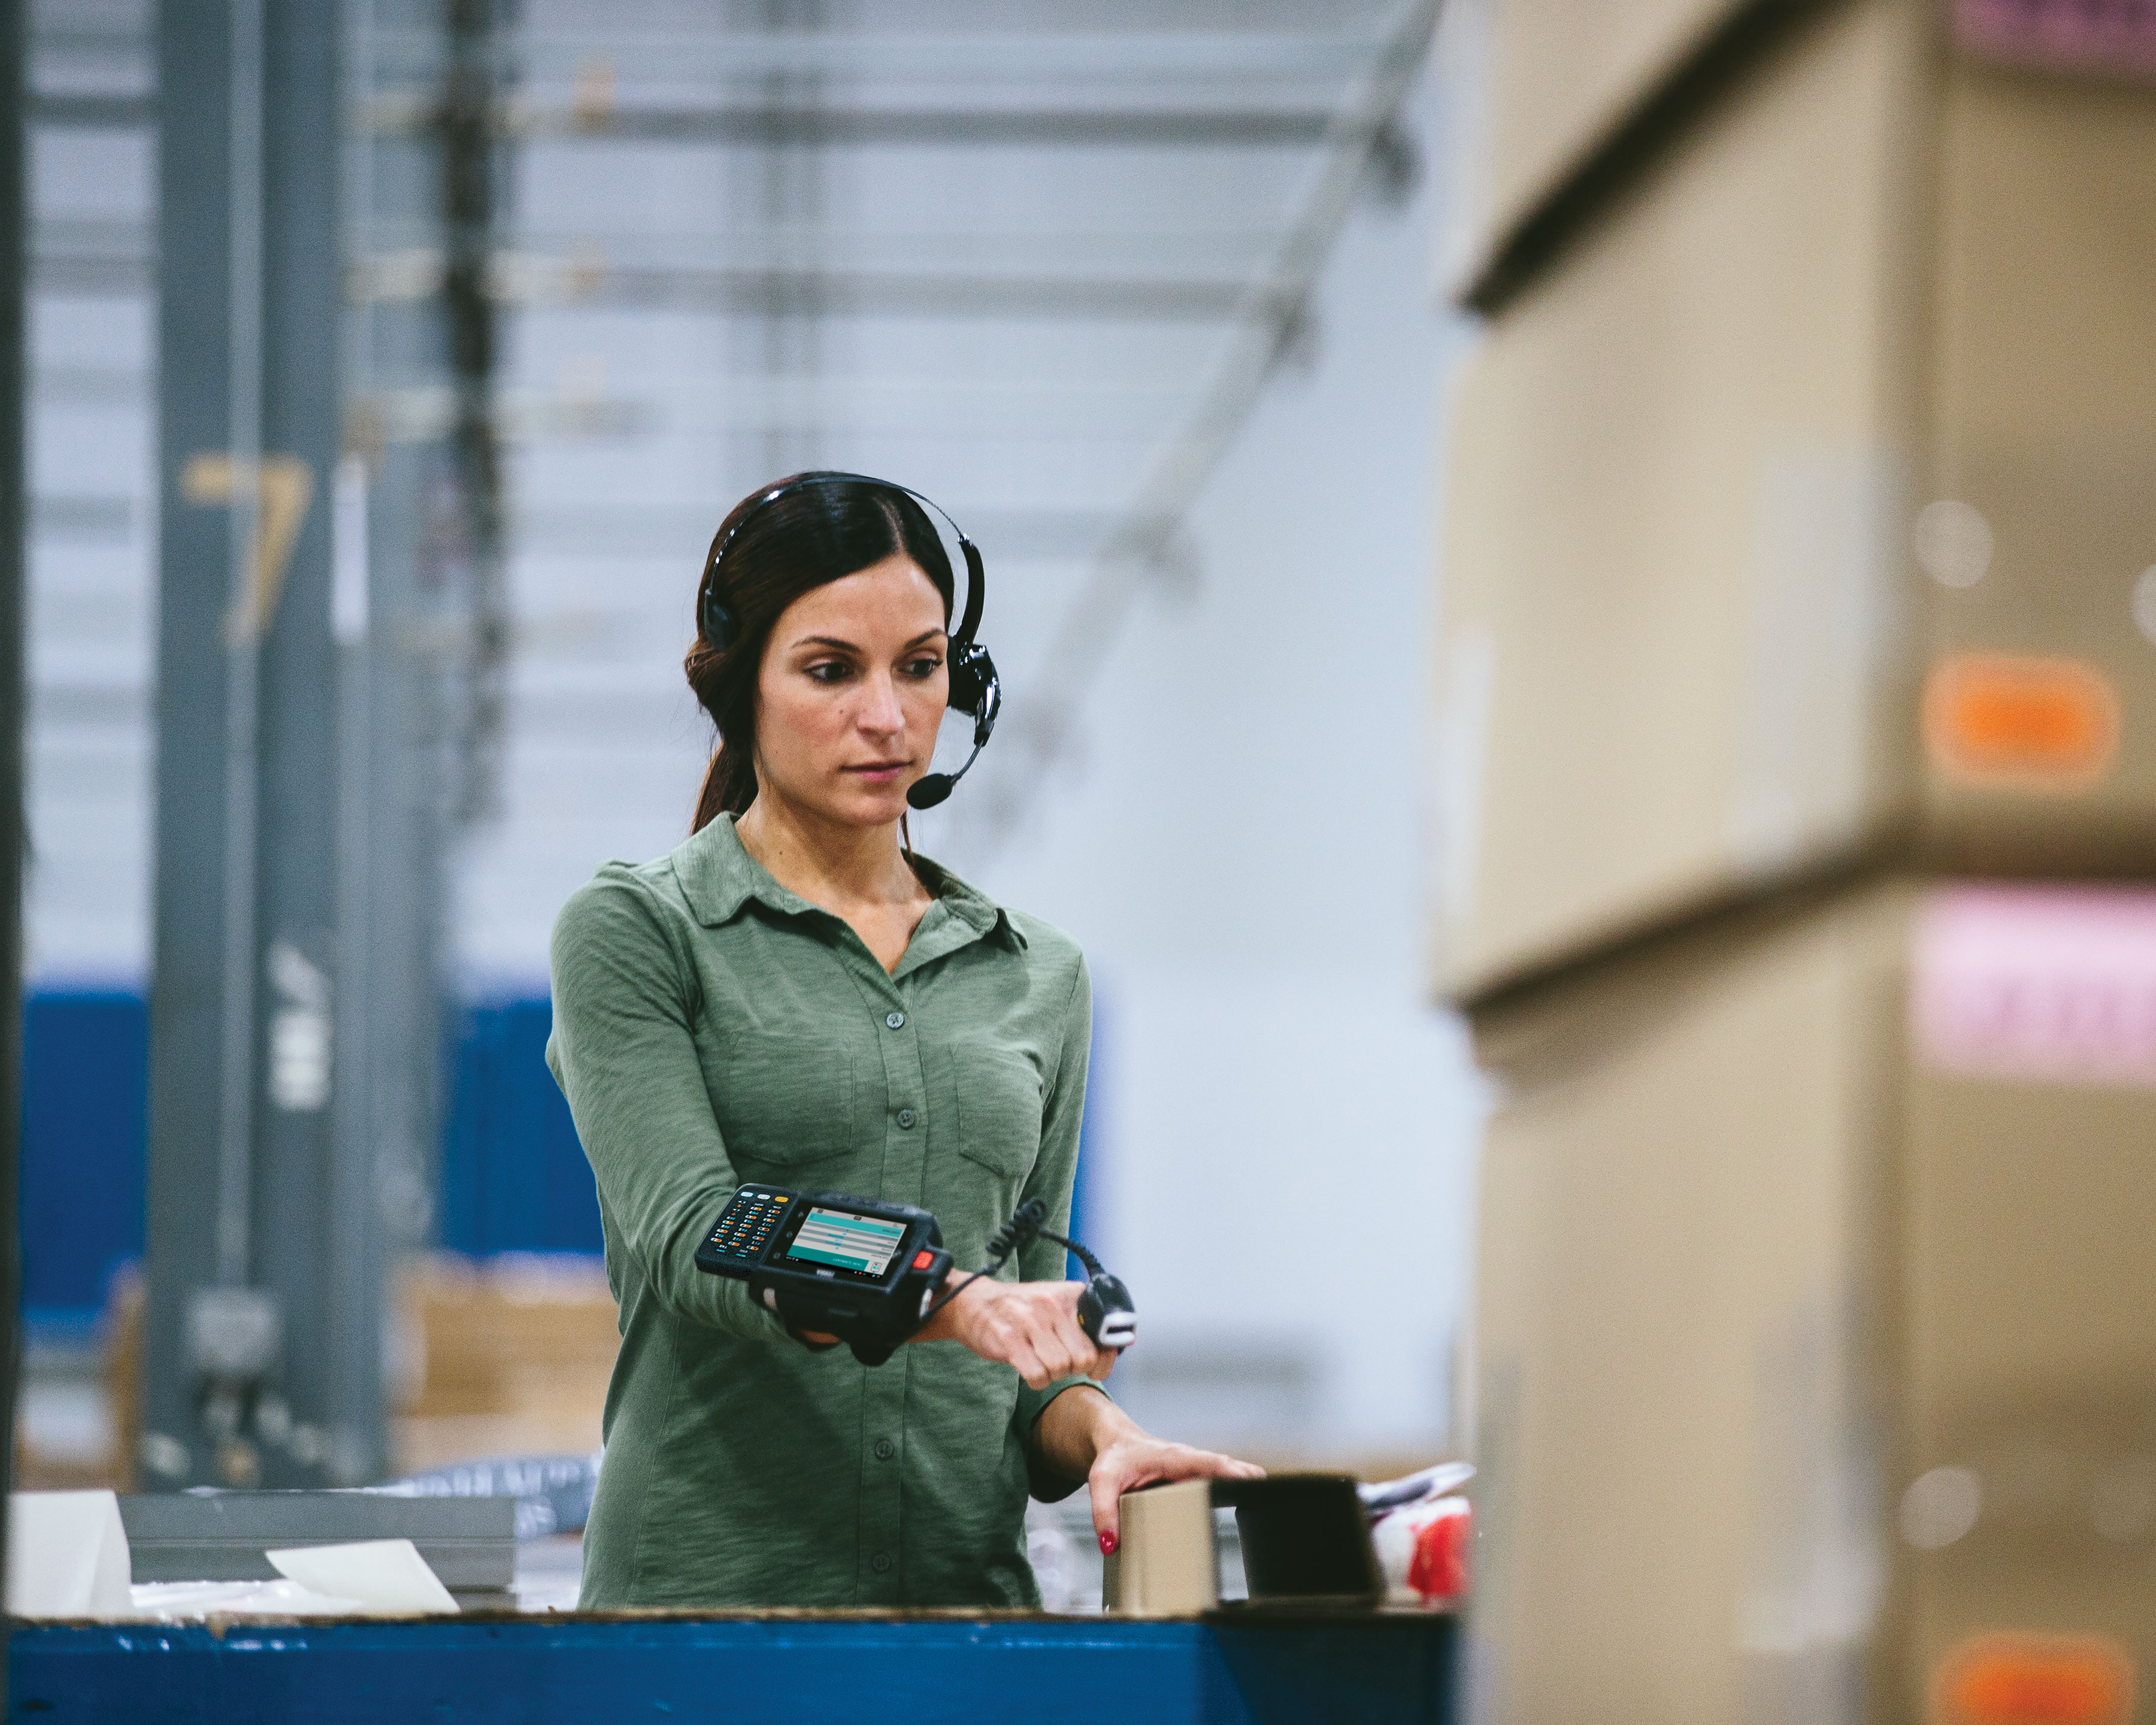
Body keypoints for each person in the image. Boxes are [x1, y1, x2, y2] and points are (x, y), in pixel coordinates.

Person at [547, 472, 1261, 1608]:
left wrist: (1106, 1434)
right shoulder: (641, 932)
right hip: (699, 1622)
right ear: (742, 685)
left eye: (920, 667)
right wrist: (950, 1296)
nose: (887, 716)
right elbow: (695, 1235)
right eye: (832, 670)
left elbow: (1030, 1360)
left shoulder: (1039, 976)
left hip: (963, 1621)